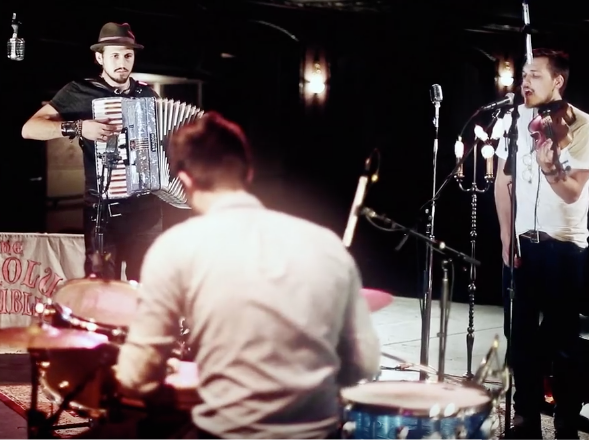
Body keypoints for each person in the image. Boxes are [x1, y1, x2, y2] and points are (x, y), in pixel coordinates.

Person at [112, 111, 382, 439]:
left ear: (185, 180)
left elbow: (137, 377)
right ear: (248, 172)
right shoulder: (326, 244)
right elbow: (365, 364)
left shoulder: (175, 247)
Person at [494, 48, 589, 439]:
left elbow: (572, 192)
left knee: (563, 340)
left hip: (564, 247)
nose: (525, 81)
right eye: (524, 74)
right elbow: (503, 181)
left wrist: (550, 166)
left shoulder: (581, 124)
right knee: (519, 337)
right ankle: (525, 416)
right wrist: (506, 235)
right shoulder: (514, 120)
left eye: (534, 74)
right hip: (523, 244)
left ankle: (566, 417)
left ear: (557, 81)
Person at [21, 22, 163, 282]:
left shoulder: (147, 95)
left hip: (147, 211)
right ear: (100, 58)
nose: (122, 63)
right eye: (115, 56)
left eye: (128, 56)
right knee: (102, 287)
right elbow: (29, 129)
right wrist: (79, 127)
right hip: (103, 212)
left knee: (147, 285)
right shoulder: (80, 91)